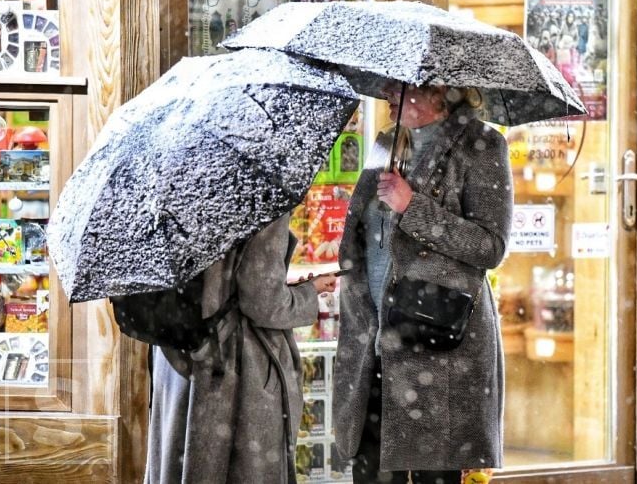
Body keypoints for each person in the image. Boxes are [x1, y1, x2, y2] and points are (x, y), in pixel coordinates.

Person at [333, 82, 513, 484]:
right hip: (374, 340)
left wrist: (413, 206)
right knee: (371, 469)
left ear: (438, 91)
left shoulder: (482, 146)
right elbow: (362, 226)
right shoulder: (386, 142)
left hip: (435, 342)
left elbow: (490, 246)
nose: (386, 93)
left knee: (435, 473)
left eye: (399, 86)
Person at [145, 214, 337, 484]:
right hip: (231, 369)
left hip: (177, 359)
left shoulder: (174, 197)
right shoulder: (260, 195)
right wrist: (305, 296)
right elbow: (265, 303)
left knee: (183, 463)